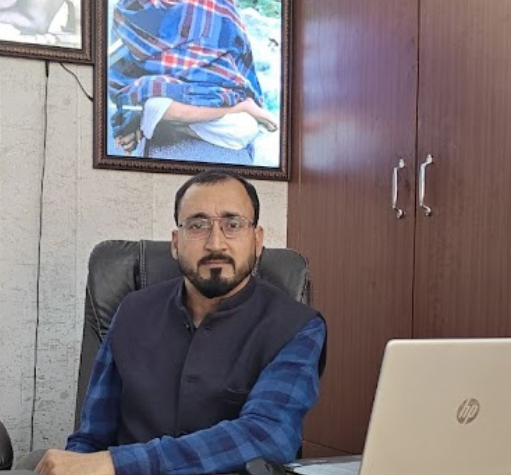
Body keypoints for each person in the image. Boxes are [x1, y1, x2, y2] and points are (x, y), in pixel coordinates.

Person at [35, 170, 327, 475]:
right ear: (176, 243)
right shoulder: (132, 311)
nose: (216, 243)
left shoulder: (298, 327)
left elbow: (267, 435)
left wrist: (119, 463)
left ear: (257, 240)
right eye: (198, 225)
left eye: (233, 224)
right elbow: (91, 438)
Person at [109, 0, 278, 162]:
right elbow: (125, 47)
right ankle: (238, 108)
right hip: (165, 87)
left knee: (246, 129)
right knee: (154, 103)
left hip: (211, 90)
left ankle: (167, 125)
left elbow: (238, 52)